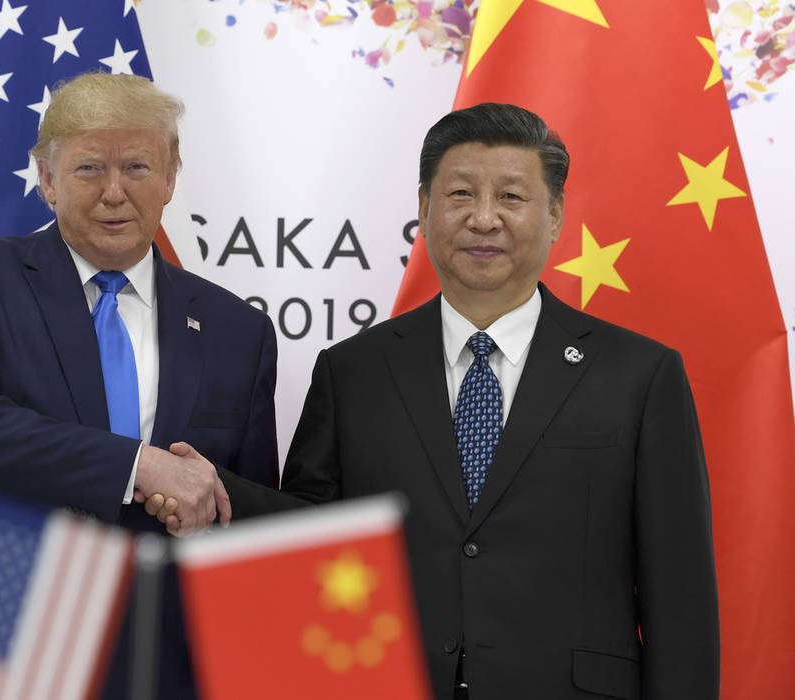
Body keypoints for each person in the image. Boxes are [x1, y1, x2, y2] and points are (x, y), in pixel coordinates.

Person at [154, 103, 720, 699]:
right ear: (423, 210)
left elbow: (678, 593)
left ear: (554, 216)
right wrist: (217, 492)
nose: (483, 218)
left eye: (511, 197)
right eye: (459, 194)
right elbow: (311, 537)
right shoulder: (354, 370)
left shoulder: (640, 373)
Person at [0, 72, 279, 699]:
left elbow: (247, 512)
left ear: (170, 177)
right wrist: (144, 469)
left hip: (160, 652)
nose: (115, 192)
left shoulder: (236, 329)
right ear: (47, 180)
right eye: (88, 169)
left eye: (137, 166)